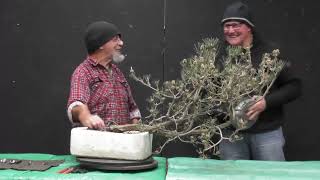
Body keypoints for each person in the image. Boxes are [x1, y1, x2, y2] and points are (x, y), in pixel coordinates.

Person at [218, 2, 301, 160]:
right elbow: (206, 90)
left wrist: (266, 103)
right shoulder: (219, 55)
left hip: (267, 134)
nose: (230, 30)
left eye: (236, 25)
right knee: (233, 177)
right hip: (231, 135)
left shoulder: (270, 53)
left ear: (249, 27)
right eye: (226, 26)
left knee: (272, 176)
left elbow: (295, 86)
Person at [67, 21, 141, 130]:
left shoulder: (117, 73)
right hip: (97, 144)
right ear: (100, 45)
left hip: (124, 144)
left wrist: (137, 127)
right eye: (115, 39)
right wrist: (86, 116)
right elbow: (75, 105)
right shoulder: (83, 72)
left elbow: (133, 109)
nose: (121, 43)